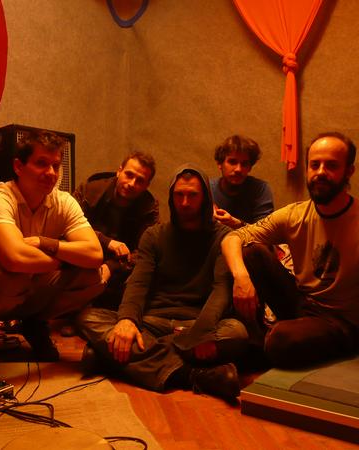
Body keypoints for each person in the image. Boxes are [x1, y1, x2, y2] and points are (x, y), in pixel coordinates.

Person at [222, 131, 359, 368]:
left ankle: (260, 344)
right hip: (302, 304)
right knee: (251, 252)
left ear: (349, 171)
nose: (320, 172)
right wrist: (241, 277)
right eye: (315, 165)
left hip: (341, 322)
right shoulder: (294, 214)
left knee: (280, 341)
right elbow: (232, 237)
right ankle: (261, 340)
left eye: (331, 165)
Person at [76, 165, 249, 402]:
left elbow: (221, 289)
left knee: (237, 332)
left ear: (205, 197)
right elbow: (138, 283)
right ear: (171, 197)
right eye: (179, 195)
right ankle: (194, 374)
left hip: (197, 323)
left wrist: (202, 332)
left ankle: (109, 357)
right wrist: (127, 320)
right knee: (88, 317)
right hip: (152, 322)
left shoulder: (223, 237)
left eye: (192, 195)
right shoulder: (153, 235)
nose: (185, 202)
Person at [0, 129, 104, 362]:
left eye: (56, 165)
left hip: (32, 279)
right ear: (18, 166)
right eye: (41, 163)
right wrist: (65, 262)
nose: (51, 173)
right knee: (13, 275)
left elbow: (95, 254)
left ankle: (34, 322)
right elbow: (15, 259)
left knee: (95, 275)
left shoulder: (63, 202)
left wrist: (45, 243)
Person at [73, 151, 158, 311]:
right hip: (86, 259)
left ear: (147, 185)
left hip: (122, 270)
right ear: (119, 171)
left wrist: (111, 267)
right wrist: (106, 241)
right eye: (129, 175)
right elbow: (69, 227)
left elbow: (145, 251)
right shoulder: (88, 191)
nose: (132, 183)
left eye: (140, 180)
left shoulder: (149, 208)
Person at [211, 135, 274, 229]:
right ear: (220, 163)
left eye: (244, 164)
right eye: (232, 162)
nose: (238, 169)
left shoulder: (260, 189)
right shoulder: (207, 190)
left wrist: (236, 224)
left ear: (250, 167)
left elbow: (265, 231)